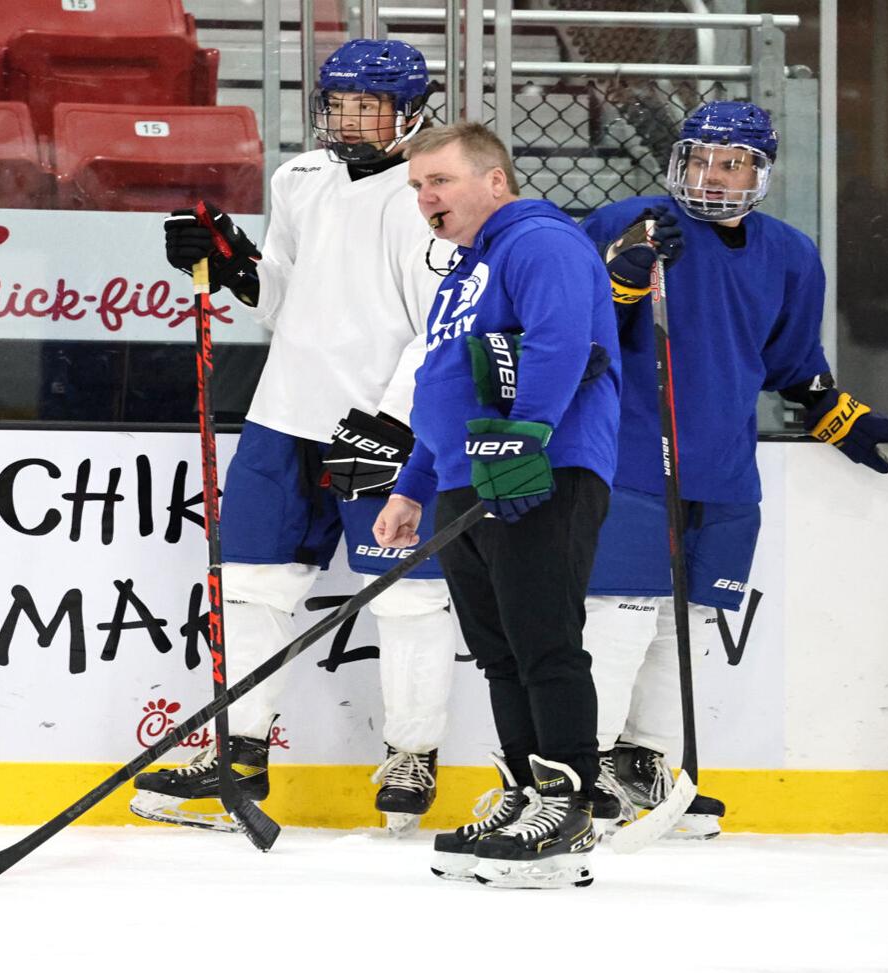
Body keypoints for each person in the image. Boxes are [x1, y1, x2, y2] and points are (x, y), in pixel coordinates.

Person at [131, 38, 463, 836]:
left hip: (383, 426)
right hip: (285, 414)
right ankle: (238, 753)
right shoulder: (299, 178)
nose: (348, 120)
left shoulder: (429, 194)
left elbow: (444, 324)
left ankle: (411, 752)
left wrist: (395, 419)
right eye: (337, 103)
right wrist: (233, 265)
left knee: (411, 598)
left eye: (368, 106)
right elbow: (281, 299)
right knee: (249, 587)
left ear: (410, 112)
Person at [578, 101, 888, 838]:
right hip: (633, 456)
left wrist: (845, 419)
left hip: (728, 470)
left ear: (759, 172)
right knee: (620, 619)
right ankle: (584, 772)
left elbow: (792, 370)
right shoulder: (631, 221)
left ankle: (645, 765)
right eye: (699, 158)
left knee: (694, 625)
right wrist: (622, 280)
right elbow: (570, 328)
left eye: (730, 162)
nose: (711, 175)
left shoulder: (792, 254)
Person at [373, 121, 620, 889]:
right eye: (416, 187)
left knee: (544, 638)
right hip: (465, 474)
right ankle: (525, 792)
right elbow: (444, 382)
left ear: (495, 181)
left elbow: (560, 344)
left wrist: (522, 439)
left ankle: (569, 802)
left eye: (438, 180)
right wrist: (416, 482)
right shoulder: (461, 274)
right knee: (499, 650)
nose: (425, 198)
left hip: (540, 464)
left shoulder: (539, 242)